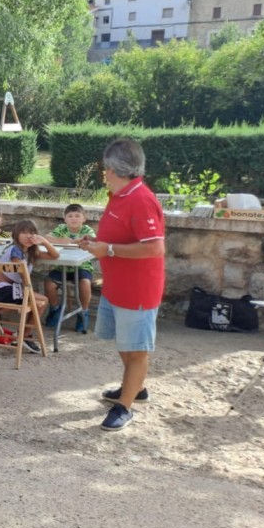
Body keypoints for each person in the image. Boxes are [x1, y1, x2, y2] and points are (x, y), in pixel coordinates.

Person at [78, 139, 165, 432]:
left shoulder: (141, 199)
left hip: (137, 291)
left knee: (136, 349)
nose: (103, 173)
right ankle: (134, 387)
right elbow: (120, 238)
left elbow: (155, 248)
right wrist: (98, 245)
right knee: (124, 343)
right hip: (117, 287)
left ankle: (125, 406)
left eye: (105, 168)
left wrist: (109, 250)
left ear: (115, 169)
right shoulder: (121, 194)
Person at [0, 220, 58, 356]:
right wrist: (29, 294)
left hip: (10, 290)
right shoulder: (15, 251)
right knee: (43, 301)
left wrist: (44, 242)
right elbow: (24, 277)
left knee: (40, 302)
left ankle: (21, 334)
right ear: (16, 235)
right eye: (24, 232)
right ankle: (22, 335)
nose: (28, 236)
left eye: (32, 233)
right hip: (0, 290)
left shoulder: (30, 251)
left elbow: (55, 256)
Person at [44, 204, 96, 333]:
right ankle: (55, 309)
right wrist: (67, 241)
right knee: (49, 283)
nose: (74, 219)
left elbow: (92, 241)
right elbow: (46, 238)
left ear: (84, 218)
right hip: (63, 266)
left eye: (77, 216)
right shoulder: (61, 228)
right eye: (70, 216)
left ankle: (83, 312)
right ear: (65, 219)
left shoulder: (86, 230)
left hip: (82, 266)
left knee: (85, 283)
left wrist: (81, 242)